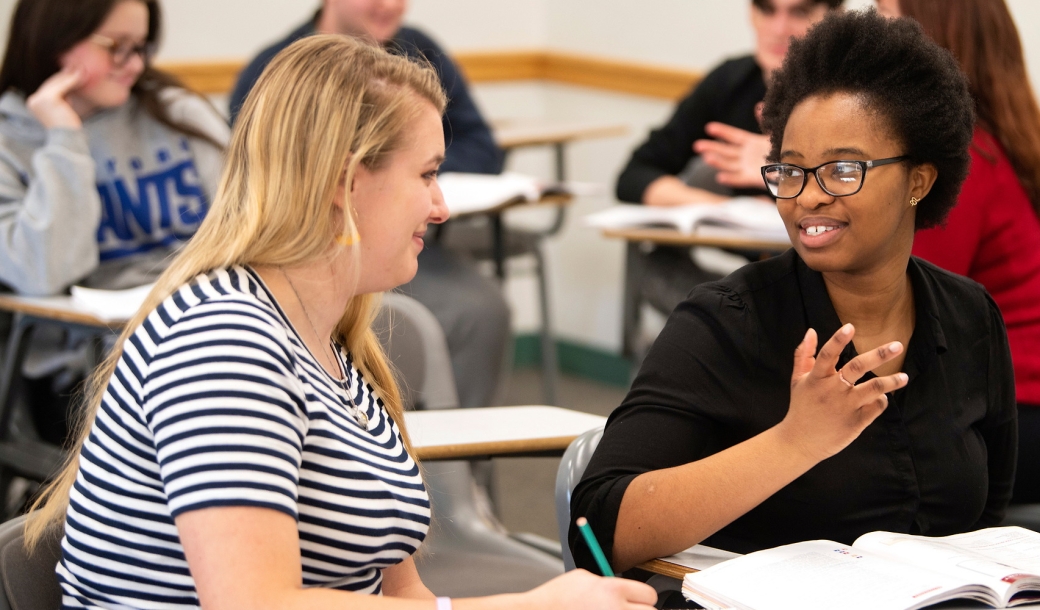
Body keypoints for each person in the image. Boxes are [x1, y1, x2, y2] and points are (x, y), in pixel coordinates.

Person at [24, 35, 656, 610]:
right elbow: (254, 604)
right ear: (346, 182)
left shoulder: (331, 342)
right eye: (428, 174)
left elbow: (402, 590)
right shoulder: (223, 341)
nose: (440, 207)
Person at [572, 10, 1016, 575]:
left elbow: (989, 523)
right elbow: (593, 532)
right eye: (790, 170)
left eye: (843, 170)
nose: (807, 197)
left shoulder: (970, 316)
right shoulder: (725, 324)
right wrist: (793, 443)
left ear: (918, 182)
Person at [230, 0, 508, 410]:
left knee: (482, 308)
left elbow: (483, 147)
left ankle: (466, 469)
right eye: (427, 176)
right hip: (326, 248)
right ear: (344, 180)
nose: (390, 5)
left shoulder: (420, 51)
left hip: (390, 244)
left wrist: (412, 172)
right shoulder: (241, 351)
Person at [876, 0, 1040, 504]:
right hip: (1021, 413)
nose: (874, 31)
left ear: (930, 36)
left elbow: (905, 302)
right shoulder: (991, 144)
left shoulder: (964, 162)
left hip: (1008, 424)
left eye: (884, 15)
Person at [0, 0, 229, 439]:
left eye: (140, 47)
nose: (134, 64)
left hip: (207, 329)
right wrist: (65, 137)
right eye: (116, 47)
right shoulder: (11, 145)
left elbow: (255, 223)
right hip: (87, 366)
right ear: (57, 41)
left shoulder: (174, 110)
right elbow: (45, 272)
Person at [616, 0, 844, 318]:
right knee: (658, 271)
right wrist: (723, 210)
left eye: (800, 12)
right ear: (751, 13)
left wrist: (782, 171)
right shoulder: (732, 81)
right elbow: (634, 175)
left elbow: (857, 204)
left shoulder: (851, 96)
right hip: (759, 280)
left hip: (826, 284)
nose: (779, 30)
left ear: (834, 17)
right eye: (767, 10)